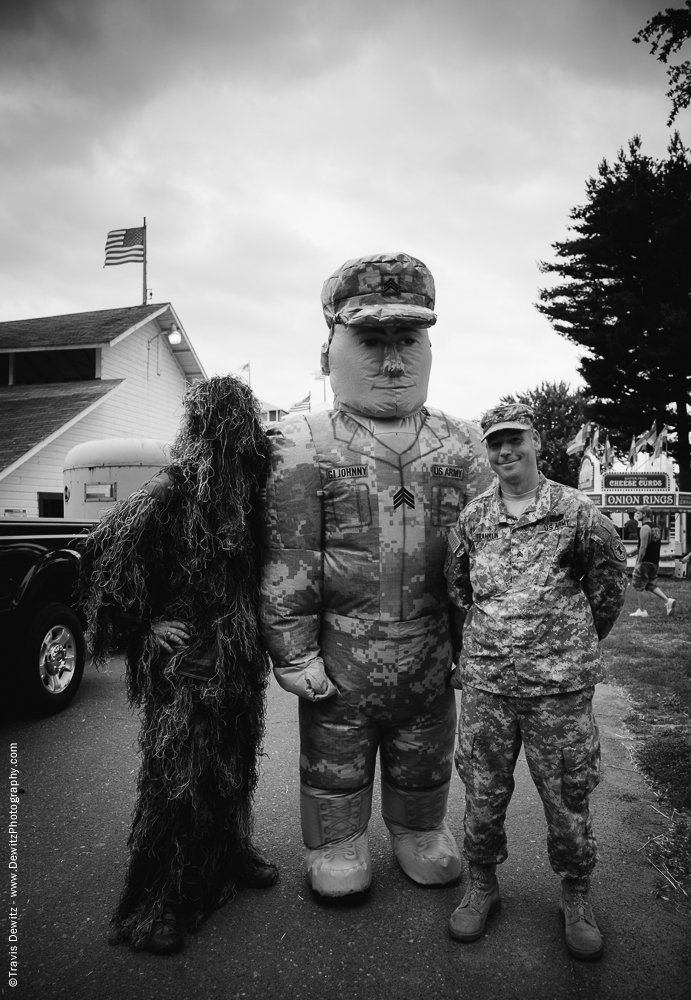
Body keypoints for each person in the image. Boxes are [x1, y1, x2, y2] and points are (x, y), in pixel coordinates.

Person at [260, 253, 492, 897]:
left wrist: (475, 645)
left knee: (426, 748)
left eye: (407, 341)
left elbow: (483, 562)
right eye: (370, 340)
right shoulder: (304, 445)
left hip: (428, 647)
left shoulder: (463, 444)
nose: (392, 361)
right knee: (336, 755)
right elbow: (291, 556)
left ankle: (420, 831)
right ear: (331, 344)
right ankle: (337, 840)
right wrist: (291, 646)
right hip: (343, 656)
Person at [79, 375, 277, 954]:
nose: (243, 455)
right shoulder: (169, 494)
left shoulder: (246, 496)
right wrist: (145, 627)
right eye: (232, 443)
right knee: (176, 783)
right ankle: (157, 900)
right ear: (207, 436)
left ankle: (230, 852)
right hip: (187, 668)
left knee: (234, 765)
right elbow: (98, 558)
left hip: (238, 663)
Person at [444, 402, 628, 961]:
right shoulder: (474, 517)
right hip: (490, 684)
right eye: (495, 444)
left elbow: (609, 586)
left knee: (568, 794)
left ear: (536, 442)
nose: (504, 453)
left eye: (514, 441)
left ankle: (576, 895)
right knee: (483, 790)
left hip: (559, 687)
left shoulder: (576, 512)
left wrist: (566, 642)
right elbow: (459, 588)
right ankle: (481, 886)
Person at [630, 507, 676, 617]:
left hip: (645, 561)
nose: (636, 515)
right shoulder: (656, 527)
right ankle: (667, 601)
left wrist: (638, 562)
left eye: (639, 513)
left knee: (638, 584)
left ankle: (642, 610)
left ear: (645, 514)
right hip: (654, 561)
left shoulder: (645, 528)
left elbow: (643, 547)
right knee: (650, 584)